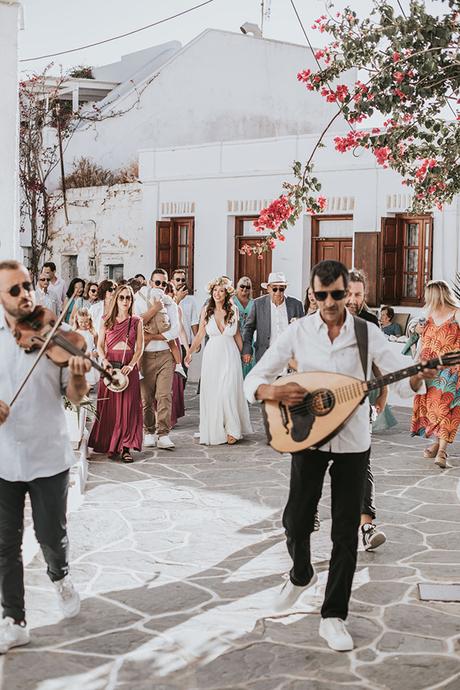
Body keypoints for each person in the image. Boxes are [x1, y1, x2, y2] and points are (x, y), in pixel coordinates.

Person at [244, 260, 435, 652]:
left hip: (353, 441)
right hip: (308, 438)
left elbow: (400, 373)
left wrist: (417, 378)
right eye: (322, 295)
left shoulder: (367, 334)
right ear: (313, 295)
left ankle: (333, 615)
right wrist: (272, 392)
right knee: (296, 521)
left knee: (345, 533)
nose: (330, 302)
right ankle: (300, 575)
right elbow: (255, 378)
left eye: (338, 294)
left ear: (348, 294)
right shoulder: (298, 332)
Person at [0, 260, 91, 653]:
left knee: (50, 535)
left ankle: (60, 575)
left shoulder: (52, 336)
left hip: (49, 455)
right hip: (4, 459)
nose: (26, 295)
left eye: (27, 287)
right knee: (5, 544)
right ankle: (14, 618)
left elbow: (74, 396)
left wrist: (78, 374)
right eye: (14, 291)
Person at [346, 268, 389, 549]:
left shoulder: (371, 323)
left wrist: (379, 405)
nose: (352, 299)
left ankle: (367, 527)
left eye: (358, 294)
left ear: (365, 295)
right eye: (348, 293)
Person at [186, 277, 252, 445]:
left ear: (226, 293)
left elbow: (237, 334)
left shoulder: (234, 310)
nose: (217, 293)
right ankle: (218, 428)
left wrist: (244, 353)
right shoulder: (206, 310)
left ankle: (233, 429)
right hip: (213, 355)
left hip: (230, 353)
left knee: (228, 391)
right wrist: (189, 352)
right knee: (215, 393)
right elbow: (200, 334)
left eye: (221, 290)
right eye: (215, 290)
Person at [89, 285, 144, 463]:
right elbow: (99, 345)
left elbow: (140, 348)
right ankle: (111, 445)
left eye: (128, 298)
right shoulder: (106, 319)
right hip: (110, 367)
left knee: (129, 409)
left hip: (128, 368)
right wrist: (104, 361)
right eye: (121, 297)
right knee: (110, 408)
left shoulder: (136, 321)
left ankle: (126, 447)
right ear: (116, 299)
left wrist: (132, 364)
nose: (125, 301)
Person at [411, 280, 460, 468]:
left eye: (429, 295)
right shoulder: (429, 315)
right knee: (433, 409)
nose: (426, 299)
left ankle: (442, 451)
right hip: (430, 370)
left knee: (448, 409)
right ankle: (437, 444)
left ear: (437, 294)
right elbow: (422, 341)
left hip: (451, 370)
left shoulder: (456, 313)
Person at [133, 268, 179, 450]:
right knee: (146, 398)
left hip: (166, 355)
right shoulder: (139, 301)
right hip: (144, 356)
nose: (160, 286)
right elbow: (136, 322)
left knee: (164, 396)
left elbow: (174, 331)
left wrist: (152, 336)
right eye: (157, 282)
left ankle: (163, 434)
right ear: (151, 283)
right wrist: (154, 309)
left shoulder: (171, 305)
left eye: (164, 283)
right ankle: (149, 431)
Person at [242, 272, 304, 365]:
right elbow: (249, 328)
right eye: (274, 289)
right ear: (268, 289)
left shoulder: (296, 305)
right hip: (266, 355)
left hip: (290, 357)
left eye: (281, 289)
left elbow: (302, 330)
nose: (278, 292)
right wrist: (247, 349)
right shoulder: (258, 304)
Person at [171, 269, 199, 378]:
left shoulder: (191, 300)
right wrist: (177, 298)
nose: (180, 282)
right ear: (172, 281)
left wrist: (197, 340)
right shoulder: (168, 298)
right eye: (178, 279)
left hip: (185, 343)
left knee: (183, 374)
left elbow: (194, 322)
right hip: (171, 342)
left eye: (183, 280)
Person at [234, 277, 255, 378]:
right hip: (234, 336)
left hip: (248, 338)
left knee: (248, 363)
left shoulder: (253, 303)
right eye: (242, 286)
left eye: (247, 287)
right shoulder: (232, 301)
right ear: (238, 287)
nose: (244, 289)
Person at [72, 308, 99, 387]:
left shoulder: (93, 333)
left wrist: (96, 352)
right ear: (77, 320)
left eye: (86, 322)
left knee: (88, 386)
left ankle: (87, 399)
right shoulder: (75, 333)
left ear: (89, 320)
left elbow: (97, 346)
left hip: (90, 361)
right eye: (81, 322)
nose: (83, 324)